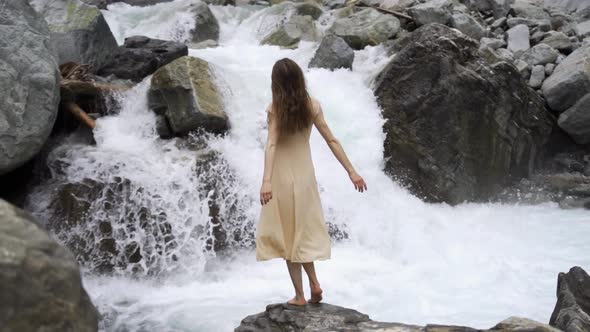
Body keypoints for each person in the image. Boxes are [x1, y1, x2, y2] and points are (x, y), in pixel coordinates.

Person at [255, 58, 367, 306]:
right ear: (299, 79)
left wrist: (266, 181)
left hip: (281, 178)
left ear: (276, 83)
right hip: (305, 177)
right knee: (301, 233)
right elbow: (332, 140)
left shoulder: (275, 108)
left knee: (288, 237)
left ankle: (300, 295)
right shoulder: (313, 106)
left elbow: (272, 144)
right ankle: (315, 283)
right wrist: (352, 172)